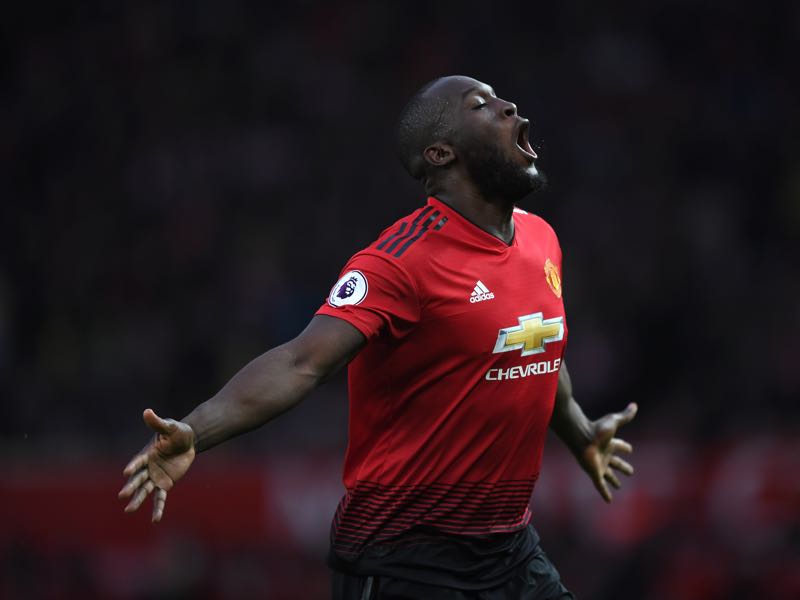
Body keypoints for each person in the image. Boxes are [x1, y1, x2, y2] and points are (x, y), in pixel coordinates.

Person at [119, 75, 637, 599]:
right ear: (440, 153)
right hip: (403, 558)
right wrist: (196, 430)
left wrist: (579, 429)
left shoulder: (540, 239)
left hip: (509, 549)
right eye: (480, 105)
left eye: (501, 99)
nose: (508, 107)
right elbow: (302, 362)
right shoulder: (401, 259)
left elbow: (536, 343)